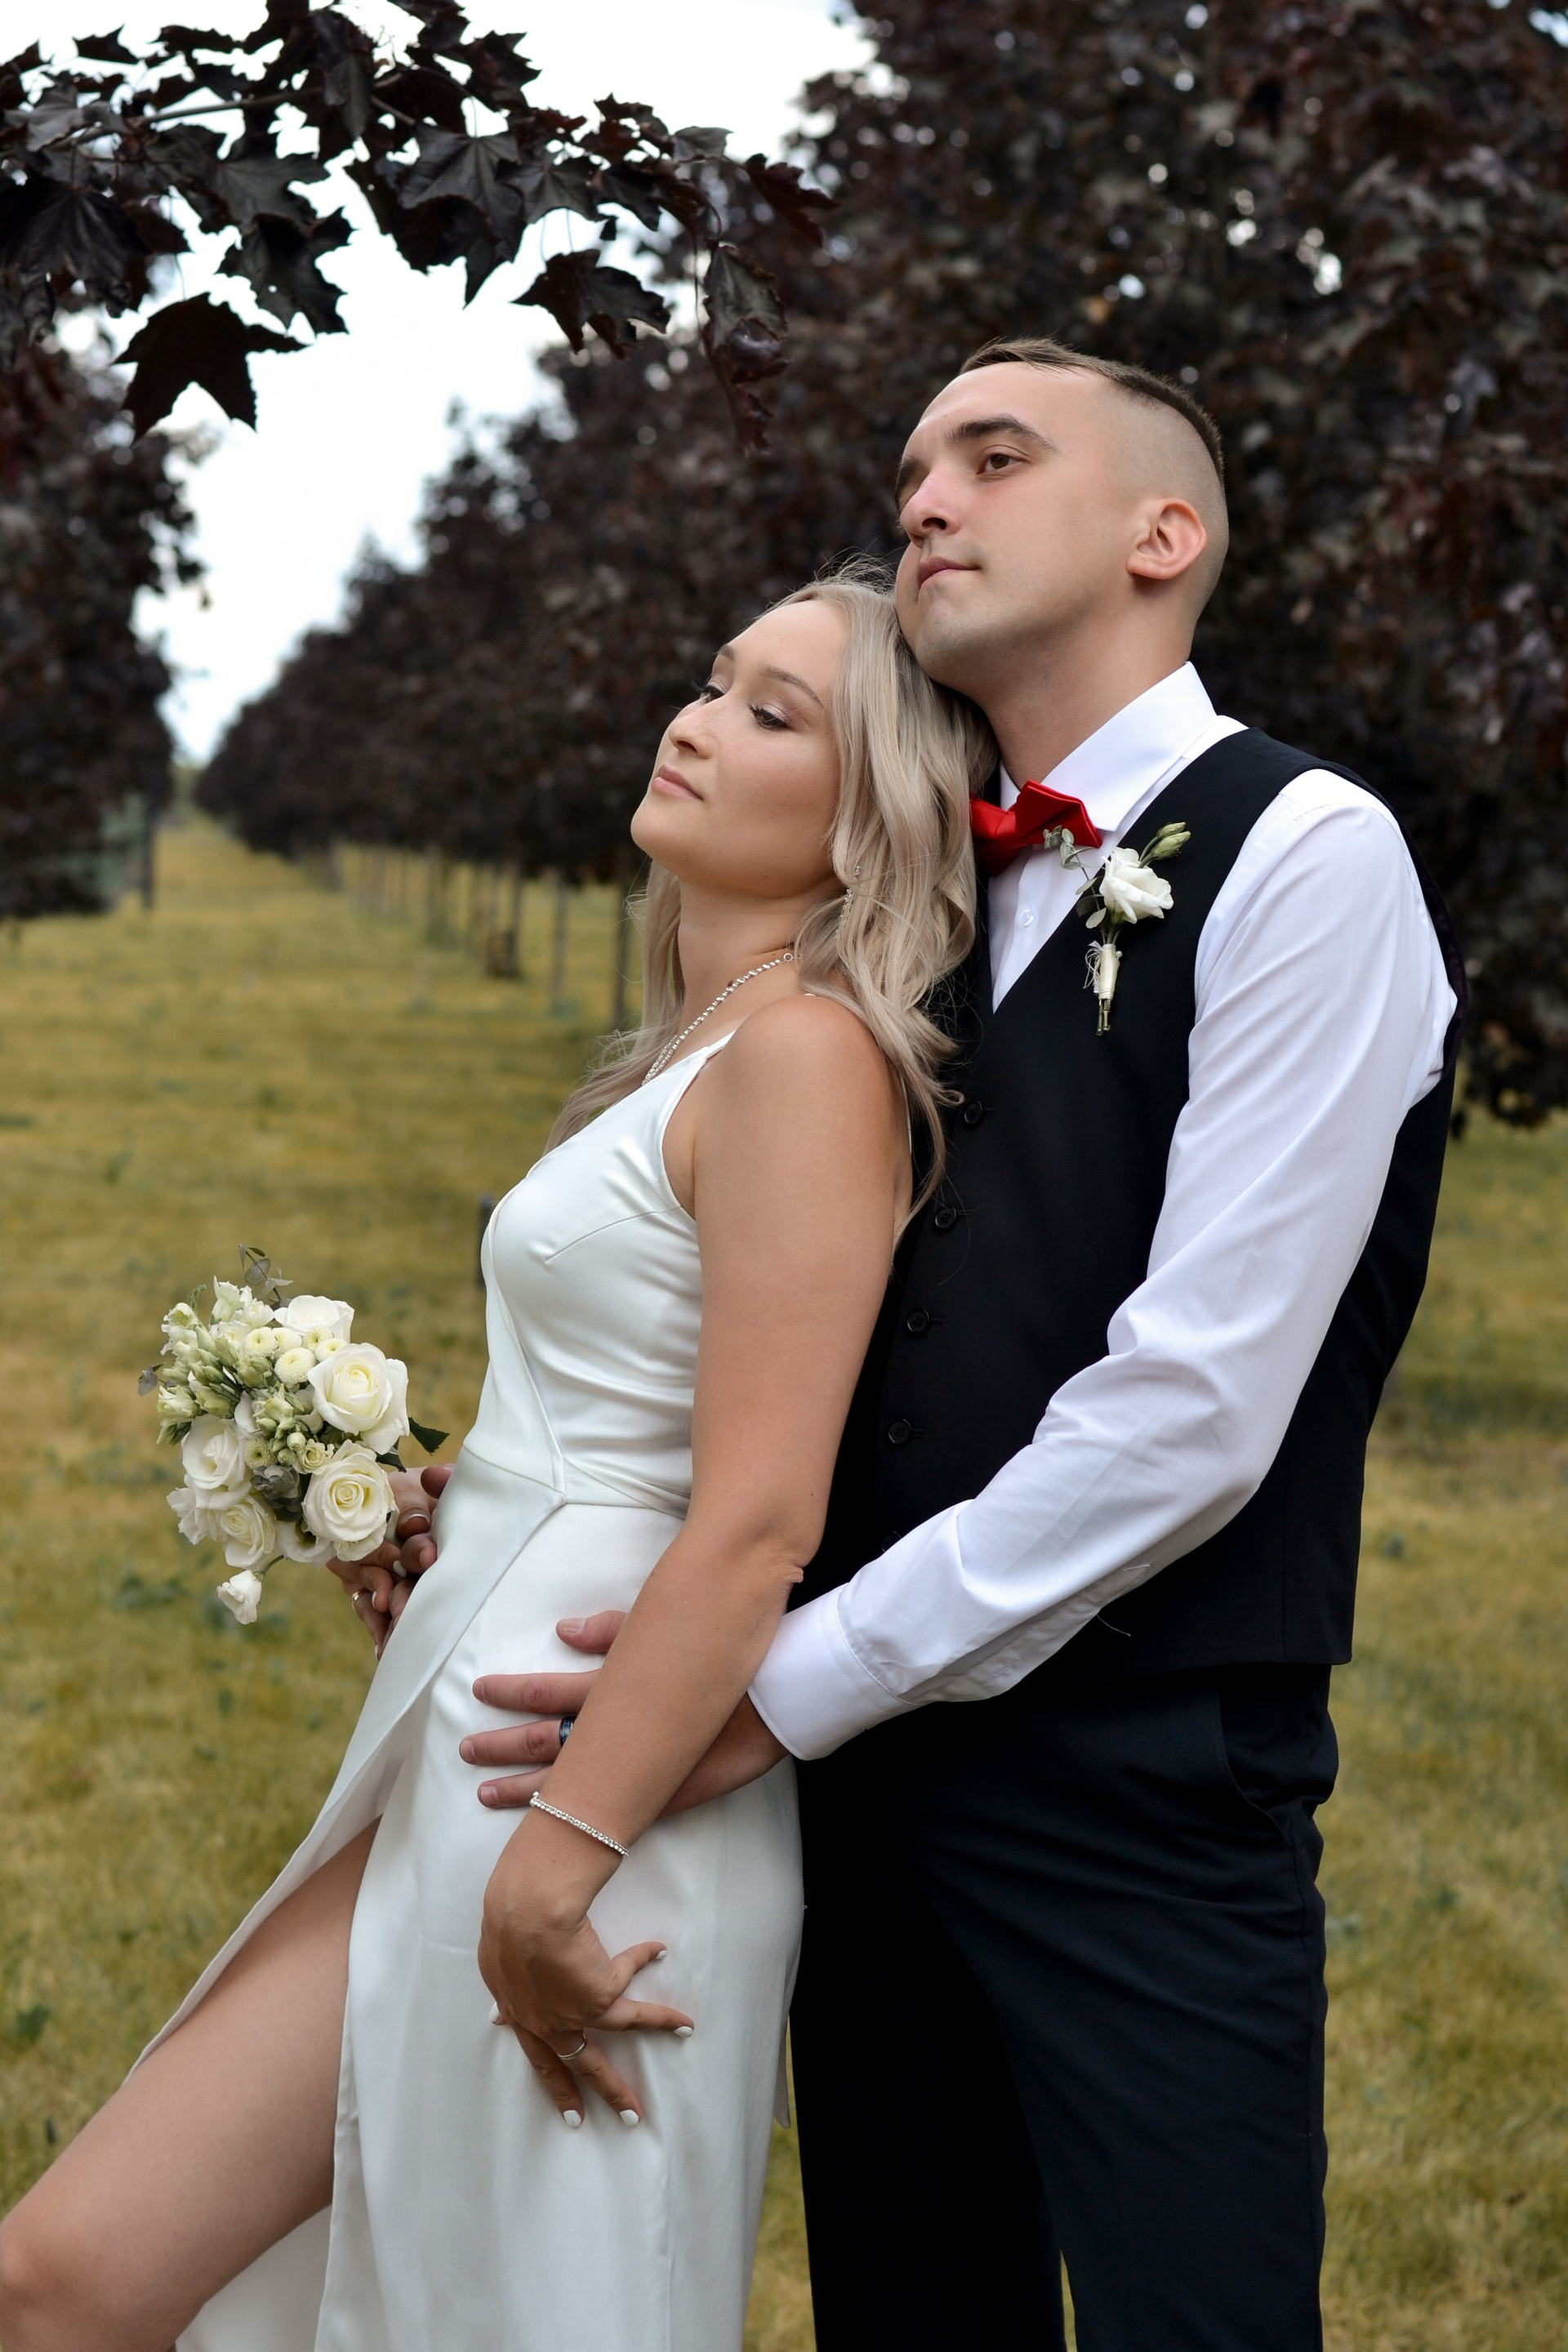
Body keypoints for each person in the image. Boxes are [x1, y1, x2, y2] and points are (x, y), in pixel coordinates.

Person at [448, 338, 1465, 2348]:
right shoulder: (901, 894)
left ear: (1164, 535)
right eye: (916, 466)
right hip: (866, 1782)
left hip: (1143, 1773)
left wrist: (786, 1685)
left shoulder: (1308, 853)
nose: (925, 500)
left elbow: (1194, 1408)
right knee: (914, 2312)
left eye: (995, 458)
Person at [0, 575, 992, 2352]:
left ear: (869, 825)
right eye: (713, 682)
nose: (696, 722)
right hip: (477, 1738)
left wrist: (563, 1857)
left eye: (773, 715)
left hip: (594, 1791)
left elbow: (759, 1518)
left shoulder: (805, 1058)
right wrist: (457, 1508)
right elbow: (632, 1414)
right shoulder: (697, 1048)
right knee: (67, 2276)